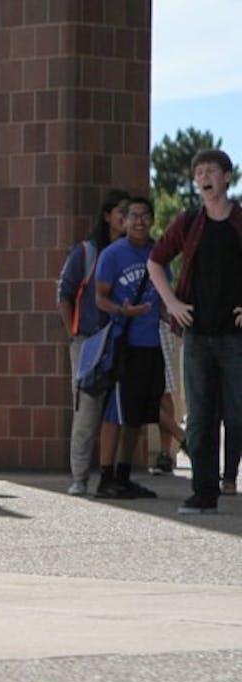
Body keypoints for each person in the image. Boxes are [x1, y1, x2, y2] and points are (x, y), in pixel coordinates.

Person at [148, 149, 242, 515]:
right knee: (200, 417)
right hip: (197, 334)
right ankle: (203, 492)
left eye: (211, 171)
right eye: (199, 172)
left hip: (234, 337)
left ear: (226, 178)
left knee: (236, 414)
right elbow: (155, 261)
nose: (204, 177)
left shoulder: (239, 221)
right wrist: (171, 302)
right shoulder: (189, 222)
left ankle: (228, 475)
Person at [57, 188, 130, 495]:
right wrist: (73, 334)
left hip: (127, 341)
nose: (129, 219)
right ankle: (79, 478)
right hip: (90, 341)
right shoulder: (87, 252)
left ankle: (114, 477)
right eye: (122, 213)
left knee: (122, 411)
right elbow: (65, 294)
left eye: (134, 213)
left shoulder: (136, 252)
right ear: (107, 216)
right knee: (87, 410)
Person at [92, 196, 165, 500]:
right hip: (125, 346)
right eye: (133, 215)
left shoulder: (158, 253)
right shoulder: (112, 255)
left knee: (138, 415)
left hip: (152, 344)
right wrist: (122, 311)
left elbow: (163, 295)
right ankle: (106, 477)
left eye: (145, 215)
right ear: (123, 220)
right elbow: (100, 298)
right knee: (115, 413)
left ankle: (124, 475)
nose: (139, 221)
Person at [148, 319, 187, 476]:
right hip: (137, 325)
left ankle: (166, 453)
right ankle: (182, 438)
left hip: (159, 324)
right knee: (143, 397)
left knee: (164, 392)